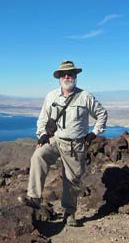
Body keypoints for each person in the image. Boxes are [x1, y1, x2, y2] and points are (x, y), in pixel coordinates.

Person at [18, 60, 108, 226]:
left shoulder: (85, 96)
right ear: (59, 77)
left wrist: (94, 133)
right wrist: (42, 135)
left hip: (75, 145)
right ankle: (34, 197)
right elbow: (43, 119)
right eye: (64, 74)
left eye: (71, 74)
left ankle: (69, 213)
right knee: (38, 156)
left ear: (75, 76)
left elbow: (102, 114)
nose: (67, 77)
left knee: (72, 179)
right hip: (56, 140)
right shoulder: (51, 96)